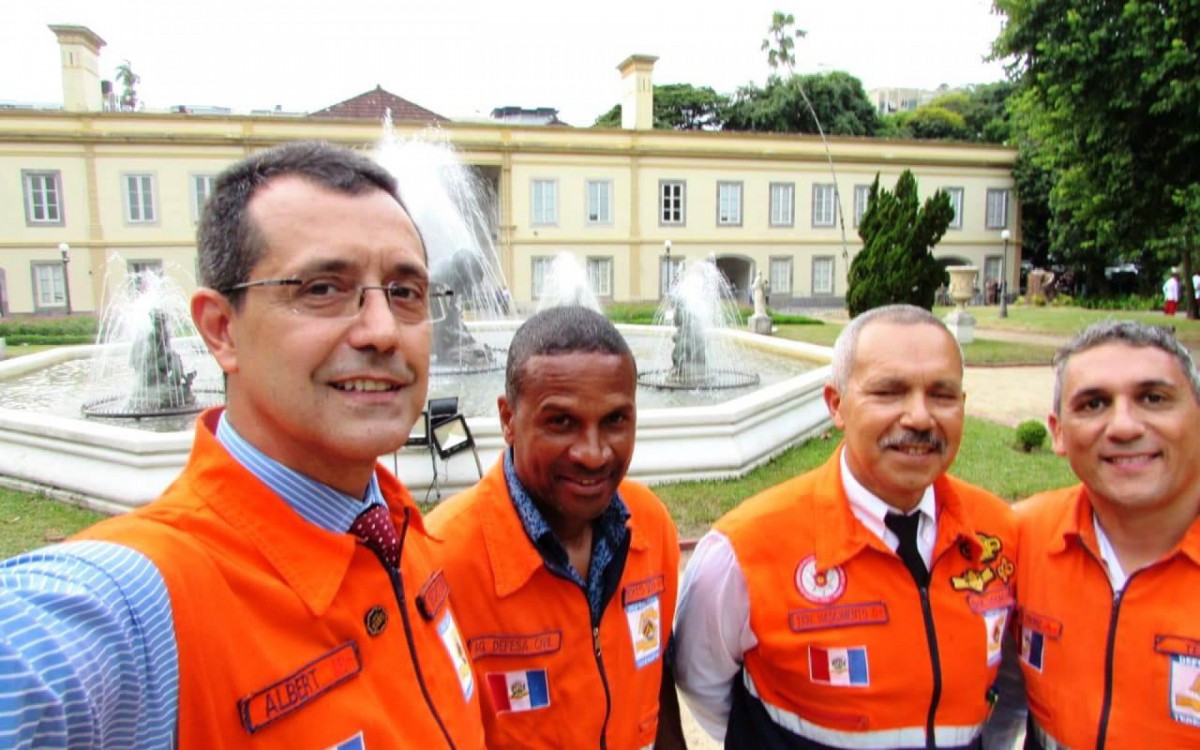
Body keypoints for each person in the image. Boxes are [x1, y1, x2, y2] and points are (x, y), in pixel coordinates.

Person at [0, 141, 486, 748]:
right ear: (221, 329)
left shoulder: (400, 534)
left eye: (405, 292)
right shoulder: (133, 607)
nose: (383, 331)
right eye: (321, 289)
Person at [674, 303, 1019, 749]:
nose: (919, 417)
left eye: (942, 394)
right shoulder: (745, 549)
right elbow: (699, 679)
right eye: (889, 392)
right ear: (836, 405)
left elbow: (1010, 683)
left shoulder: (999, 534)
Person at [426, 305, 685, 749]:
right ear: (508, 419)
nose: (593, 453)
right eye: (561, 422)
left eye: (615, 420)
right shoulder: (439, 561)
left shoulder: (650, 524)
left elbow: (656, 676)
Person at [1009, 320, 1200, 747]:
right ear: (1058, 432)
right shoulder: (1022, 538)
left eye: (1153, 398)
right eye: (1094, 404)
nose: (1124, 427)